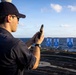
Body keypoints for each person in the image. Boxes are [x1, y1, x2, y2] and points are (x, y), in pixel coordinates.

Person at [0, 2, 44, 75]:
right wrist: (37, 44)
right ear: (9, 18)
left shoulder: (12, 44)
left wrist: (31, 41)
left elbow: (13, 52)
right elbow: (34, 64)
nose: (18, 22)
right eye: (18, 18)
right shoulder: (15, 44)